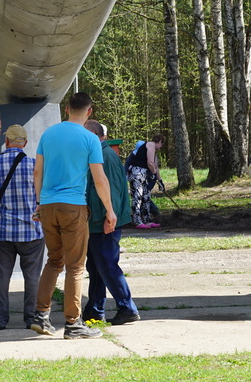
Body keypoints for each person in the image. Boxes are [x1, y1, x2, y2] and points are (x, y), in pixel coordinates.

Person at [31, 92, 114, 340]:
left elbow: (37, 172)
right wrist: (109, 210)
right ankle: (73, 323)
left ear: (67, 109)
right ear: (89, 112)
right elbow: (99, 179)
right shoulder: (90, 139)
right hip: (73, 206)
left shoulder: (48, 134)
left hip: (47, 205)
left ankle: (41, 316)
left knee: (54, 261)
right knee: (75, 267)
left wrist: (39, 202)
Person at [0, 124, 43, 330]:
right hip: (31, 230)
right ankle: (31, 318)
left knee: (2, 276)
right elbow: (44, 197)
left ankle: (0, 320)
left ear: (7, 141)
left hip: (3, 232)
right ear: (25, 143)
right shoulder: (34, 165)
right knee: (32, 277)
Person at [82, 120, 140, 325]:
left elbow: (113, 190)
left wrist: (110, 215)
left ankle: (127, 307)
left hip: (103, 222)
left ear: (92, 137)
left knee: (107, 265)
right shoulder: (98, 154)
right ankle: (95, 310)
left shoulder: (106, 156)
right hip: (96, 221)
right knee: (96, 267)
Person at [125, 132, 165, 229]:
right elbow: (150, 163)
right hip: (137, 172)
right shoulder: (150, 145)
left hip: (144, 174)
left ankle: (147, 220)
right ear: (159, 141)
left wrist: (159, 180)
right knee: (137, 196)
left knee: (146, 197)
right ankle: (137, 221)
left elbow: (155, 167)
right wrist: (153, 173)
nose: (161, 147)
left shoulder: (153, 151)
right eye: (162, 145)